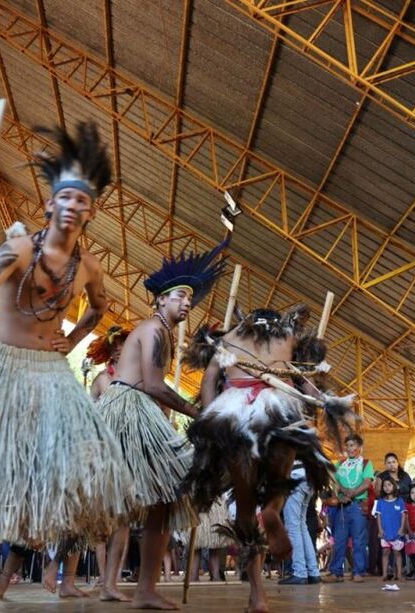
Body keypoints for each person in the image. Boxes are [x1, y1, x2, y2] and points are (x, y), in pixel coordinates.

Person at [0, 123, 129, 613]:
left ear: (90, 210)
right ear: (50, 204)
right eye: (64, 196)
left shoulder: (88, 268)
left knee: (87, 465)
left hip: (52, 371)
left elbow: (98, 309)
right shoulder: (20, 249)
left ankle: (58, 563)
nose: (72, 205)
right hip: (6, 368)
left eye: (82, 200)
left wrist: (75, 338)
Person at [182, 304, 352, 612]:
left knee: (244, 509)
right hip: (278, 409)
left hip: (236, 413)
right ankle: (273, 511)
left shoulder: (231, 337)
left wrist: (209, 425)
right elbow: (305, 377)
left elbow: (209, 381)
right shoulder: (287, 335)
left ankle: (258, 594)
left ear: (246, 323)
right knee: (279, 484)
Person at [95, 240, 230, 610]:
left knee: (153, 502)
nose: (187, 303)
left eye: (189, 298)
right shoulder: (154, 331)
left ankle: (130, 587)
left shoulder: (161, 331)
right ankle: (143, 589)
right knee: (166, 495)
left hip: (136, 410)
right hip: (129, 409)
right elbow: (154, 386)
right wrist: (195, 412)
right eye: (179, 297)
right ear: (160, 300)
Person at [41, 325, 134, 599]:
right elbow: (115, 407)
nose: (119, 348)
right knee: (83, 518)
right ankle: (54, 566)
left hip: (123, 457)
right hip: (97, 455)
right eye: (114, 345)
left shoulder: (135, 375)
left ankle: (108, 581)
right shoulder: (106, 379)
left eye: (124, 344)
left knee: (120, 520)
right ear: (109, 350)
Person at [325, 435, 374, 583]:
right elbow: (334, 482)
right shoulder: (340, 464)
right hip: (342, 506)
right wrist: (340, 493)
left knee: (359, 540)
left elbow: (367, 483)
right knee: (339, 539)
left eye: (353, 445)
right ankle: (336, 572)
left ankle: (358, 571)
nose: (350, 448)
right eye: (348, 445)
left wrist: (351, 493)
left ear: (359, 447)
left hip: (358, 505)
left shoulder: (366, 463)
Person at [279, 460, 321, 586]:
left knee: (293, 527)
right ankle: (313, 572)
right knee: (302, 526)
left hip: (295, 478)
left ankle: (300, 572)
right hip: (308, 478)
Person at [374, 476, 406, 581]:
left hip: (397, 532)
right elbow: (378, 516)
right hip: (385, 532)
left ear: (394, 486)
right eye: (384, 486)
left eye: (389, 485)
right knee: (385, 552)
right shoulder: (380, 502)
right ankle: (384, 574)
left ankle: (399, 574)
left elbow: (403, 515)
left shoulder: (400, 501)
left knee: (397, 553)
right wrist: (380, 530)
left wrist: (402, 528)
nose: (387, 487)